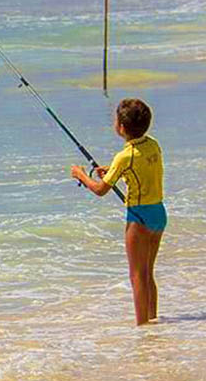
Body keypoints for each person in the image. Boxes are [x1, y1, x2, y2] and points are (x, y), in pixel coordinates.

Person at [71, 98, 166, 326]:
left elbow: (101, 190)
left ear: (121, 128)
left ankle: (143, 328)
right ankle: (153, 322)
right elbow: (140, 169)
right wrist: (113, 171)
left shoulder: (124, 156)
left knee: (136, 276)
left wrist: (81, 175)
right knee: (147, 274)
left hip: (139, 218)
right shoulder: (153, 144)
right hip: (159, 213)